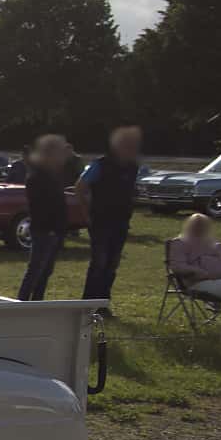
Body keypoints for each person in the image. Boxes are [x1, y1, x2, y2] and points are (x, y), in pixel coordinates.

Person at [77, 125, 142, 307]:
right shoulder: (100, 165)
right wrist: (86, 213)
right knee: (99, 262)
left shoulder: (133, 167)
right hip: (100, 220)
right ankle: (89, 303)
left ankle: (103, 302)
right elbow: (80, 187)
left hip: (121, 221)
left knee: (112, 264)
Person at [17, 134, 71, 301]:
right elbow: (41, 205)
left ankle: (37, 301)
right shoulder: (38, 176)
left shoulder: (54, 174)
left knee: (46, 270)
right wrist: (52, 228)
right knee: (36, 269)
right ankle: (22, 302)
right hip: (44, 229)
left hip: (54, 229)